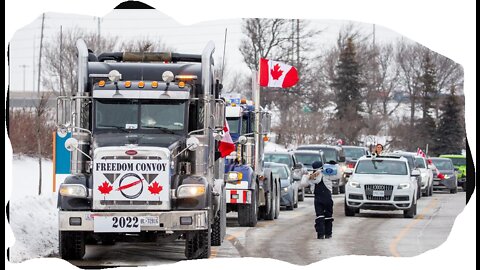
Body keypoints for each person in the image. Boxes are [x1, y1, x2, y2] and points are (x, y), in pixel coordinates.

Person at [307, 160, 334, 239]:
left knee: (320, 216)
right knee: (328, 216)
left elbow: (304, 183)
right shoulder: (327, 174)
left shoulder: (312, 176)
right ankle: (328, 234)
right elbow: (337, 175)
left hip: (318, 198)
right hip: (327, 198)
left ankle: (320, 234)